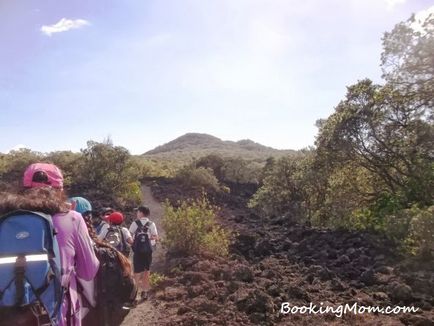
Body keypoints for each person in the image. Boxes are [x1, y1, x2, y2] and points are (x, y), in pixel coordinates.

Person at [0, 163, 99, 326]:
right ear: (60, 190)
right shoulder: (73, 219)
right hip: (55, 314)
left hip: (7, 312)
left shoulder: (5, 218)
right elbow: (88, 271)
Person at [129, 205, 158, 300]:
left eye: (138, 212)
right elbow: (155, 237)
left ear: (141, 213)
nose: (137, 213)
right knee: (146, 271)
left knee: (136, 272)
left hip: (138, 251)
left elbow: (129, 237)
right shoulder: (151, 224)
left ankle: (134, 294)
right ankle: (145, 292)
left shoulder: (135, 223)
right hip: (148, 251)